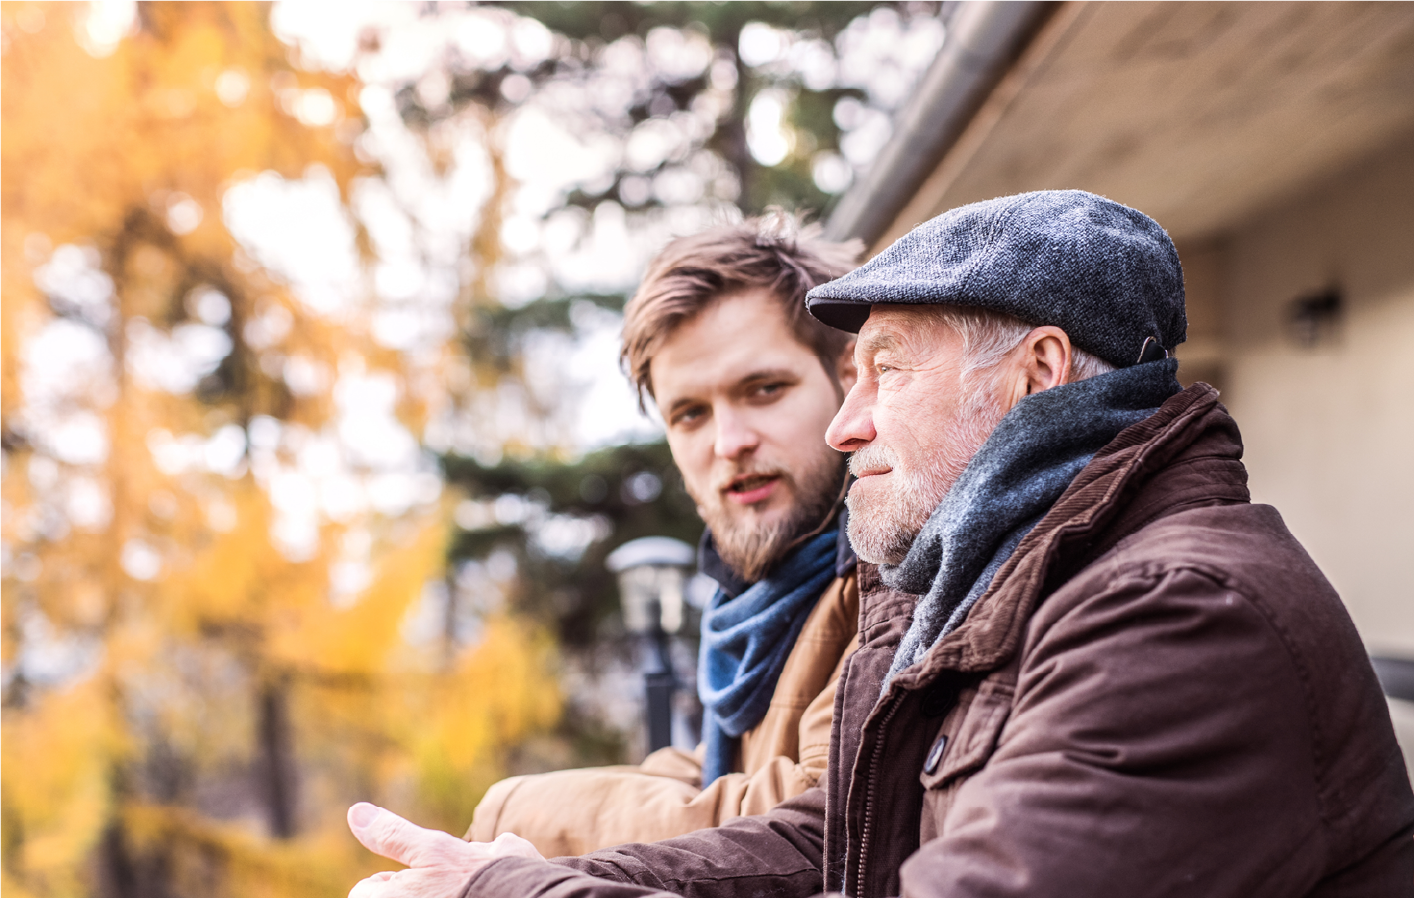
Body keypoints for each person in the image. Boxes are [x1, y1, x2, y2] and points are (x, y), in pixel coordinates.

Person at [345, 190, 1414, 898]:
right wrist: (526, 872)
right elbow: (837, 839)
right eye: (689, 413)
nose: (844, 427)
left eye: (886, 370)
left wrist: (519, 883)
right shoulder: (980, 592)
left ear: (1038, 374)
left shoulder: (1180, 618)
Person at [463, 214, 865, 858]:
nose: (729, 443)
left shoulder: (890, 564)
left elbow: (823, 810)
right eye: (690, 413)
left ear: (850, 375)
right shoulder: (753, 605)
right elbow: (719, 777)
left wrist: (507, 815)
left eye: (764, 389)